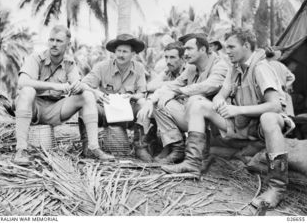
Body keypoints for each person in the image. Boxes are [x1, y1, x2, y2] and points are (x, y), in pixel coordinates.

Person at [162, 28, 295, 210]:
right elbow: (222, 94)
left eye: (232, 47)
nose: (227, 51)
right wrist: (219, 101)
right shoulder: (234, 67)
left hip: (263, 125)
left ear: (246, 46)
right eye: (226, 48)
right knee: (197, 102)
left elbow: (275, 106)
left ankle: (276, 187)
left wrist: (236, 109)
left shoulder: (261, 67)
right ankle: (193, 163)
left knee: (268, 118)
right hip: (241, 124)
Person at [14, 25, 114, 166]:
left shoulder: (69, 63)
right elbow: (22, 82)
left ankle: (93, 147)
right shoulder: (36, 58)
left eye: (59, 41)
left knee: (87, 96)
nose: (54, 44)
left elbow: (77, 84)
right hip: (33, 106)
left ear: (68, 44)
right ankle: (21, 149)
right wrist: (55, 86)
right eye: (51, 40)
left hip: (55, 109)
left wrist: (94, 92)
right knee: (27, 90)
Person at [138, 34, 229, 164]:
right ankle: (177, 147)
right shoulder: (191, 68)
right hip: (194, 118)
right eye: (184, 49)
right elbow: (172, 85)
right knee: (160, 101)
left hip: (218, 121)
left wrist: (179, 92)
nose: (185, 53)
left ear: (203, 49)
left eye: (189, 49)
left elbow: (210, 86)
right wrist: (150, 101)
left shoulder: (220, 65)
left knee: (195, 99)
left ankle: (198, 152)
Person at [80, 34, 153, 162]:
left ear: (133, 54)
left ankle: (140, 146)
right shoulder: (102, 66)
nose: (120, 55)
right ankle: (89, 146)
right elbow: (83, 84)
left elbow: (142, 92)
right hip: (105, 112)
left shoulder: (139, 68)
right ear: (114, 52)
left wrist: (133, 96)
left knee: (143, 103)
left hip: (127, 113)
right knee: (86, 99)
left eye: (125, 51)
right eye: (118, 51)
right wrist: (96, 93)